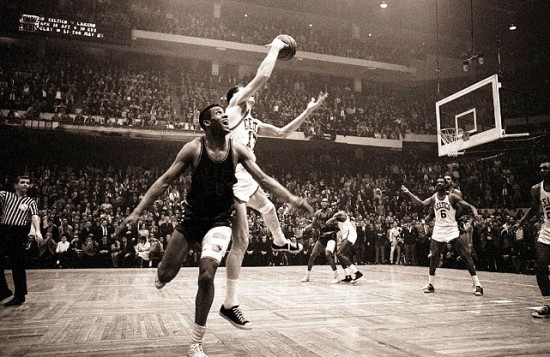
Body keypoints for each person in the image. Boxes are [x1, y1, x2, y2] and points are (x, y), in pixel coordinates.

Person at [117, 104, 313, 357]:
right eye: (218, 114)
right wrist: (136, 212)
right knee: (165, 274)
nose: (224, 116)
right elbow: (165, 181)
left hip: (220, 221)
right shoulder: (194, 149)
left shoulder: (237, 150)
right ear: (207, 124)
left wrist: (291, 198)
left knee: (207, 275)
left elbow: (263, 180)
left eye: (224, 112)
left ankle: (195, 342)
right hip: (191, 220)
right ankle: (163, 275)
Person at [222, 35, 329, 328]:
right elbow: (263, 76)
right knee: (240, 242)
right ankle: (230, 303)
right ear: (237, 96)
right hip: (230, 182)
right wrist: (275, 47)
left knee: (269, 210)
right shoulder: (233, 107)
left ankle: (280, 241)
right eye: (244, 90)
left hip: (248, 181)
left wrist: (308, 111)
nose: (249, 91)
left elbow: (282, 132)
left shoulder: (254, 123)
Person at [401, 177, 483, 296]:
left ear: (445, 185)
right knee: (434, 256)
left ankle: (477, 285)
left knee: (465, 255)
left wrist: (475, 213)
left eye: (442, 182)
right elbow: (422, 203)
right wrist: (409, 193)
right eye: (437, 182)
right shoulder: (434, 197)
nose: (439, 183)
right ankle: (431, 284)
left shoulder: (452, 197)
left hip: (451, 229)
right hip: (439, 230)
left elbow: (470, 206)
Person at [512, 161, 550, 318]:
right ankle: (548, 303)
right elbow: (534, 209)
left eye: (546, 168)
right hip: (547, 230)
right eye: (540, 168)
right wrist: (519, 223)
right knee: (540, 266)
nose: (542, 170)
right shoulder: (536, 189)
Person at [0, 176, 43, 306]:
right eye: (22, 182)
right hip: (4, 231)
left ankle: (20, 295)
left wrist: (38, 231)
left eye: (28, 183)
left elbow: (35, 216)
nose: (25, 185)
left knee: (18, 264)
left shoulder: (30, 201)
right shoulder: (6, 195)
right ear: (16, 185)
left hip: (18, 233)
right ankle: (3, 290)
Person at [301, 198, 339, 283]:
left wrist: (329, 232)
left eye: (326, 201)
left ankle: (336, 276)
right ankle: (307, 276)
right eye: (323, 201)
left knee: (328, 254)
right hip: (322, 237)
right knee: (312, 255)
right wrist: (305, 229)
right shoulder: (318, 213)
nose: (324, 203)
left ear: (328, 203)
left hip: (331, 237)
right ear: (321, 203)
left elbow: (337, 227)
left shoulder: (331, 213)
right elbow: (313, 224)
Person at [326, 211, 363, 284]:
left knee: (340, 254)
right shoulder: (340, 220)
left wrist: (333, 218)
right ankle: (348, 275)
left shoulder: (342, 214)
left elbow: (327, 222)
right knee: (340, 255)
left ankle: (357, 272)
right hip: (346, 236)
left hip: (350, 235)